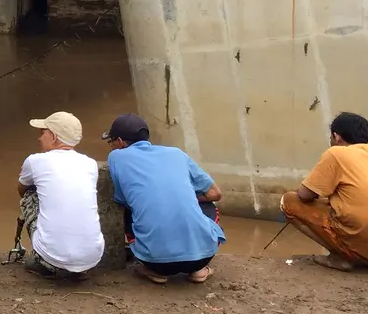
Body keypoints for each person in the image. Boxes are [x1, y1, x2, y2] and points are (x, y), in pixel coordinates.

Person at [104, 113, 224, 284]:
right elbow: (215, 193)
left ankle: (154, 271)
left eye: (112, 142)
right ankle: (198, 271)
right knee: (209, 205)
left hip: (156, 262)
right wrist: (189, 196)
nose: (111, 146)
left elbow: (123, 199)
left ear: (121, 142)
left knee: (132, 210)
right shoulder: (176, 153)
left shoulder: (116, 157)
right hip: (203, 257)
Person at [280, 112, 368, 271]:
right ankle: (360, 255)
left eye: (331, 138)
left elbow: (304, 195)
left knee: (289, 201)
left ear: (337, 137)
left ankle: (342, 257)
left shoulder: (336, 153)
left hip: (362, 248)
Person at [17, 112, 103, 280]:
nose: (39, 138)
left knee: (30, 193)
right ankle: (78, 266)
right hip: (92, 257)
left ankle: (45, 263)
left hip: (52, 257)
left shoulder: (35, 161)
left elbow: (22, 189)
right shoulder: (90, 164)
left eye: (43, 133)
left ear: (54, 137)